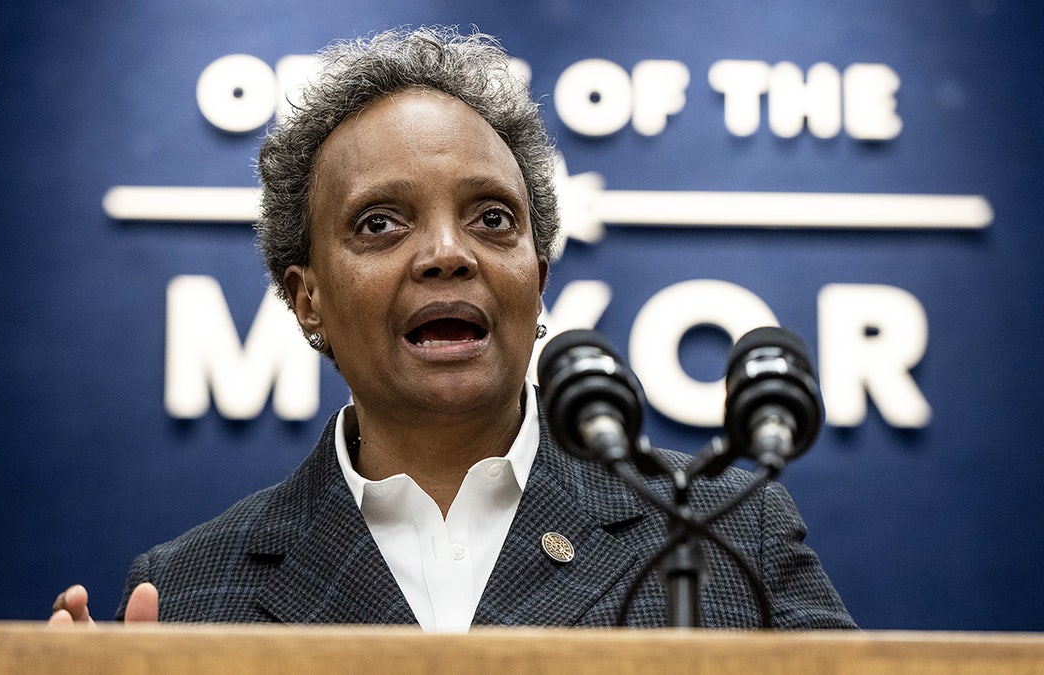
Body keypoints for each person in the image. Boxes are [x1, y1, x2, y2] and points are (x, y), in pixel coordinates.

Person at [50, 26, 854, 631]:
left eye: (493, 217)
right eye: (379, 223)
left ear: (537, 276)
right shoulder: (190, 592)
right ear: (307, 297)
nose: (446, 253)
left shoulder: (724, 526)